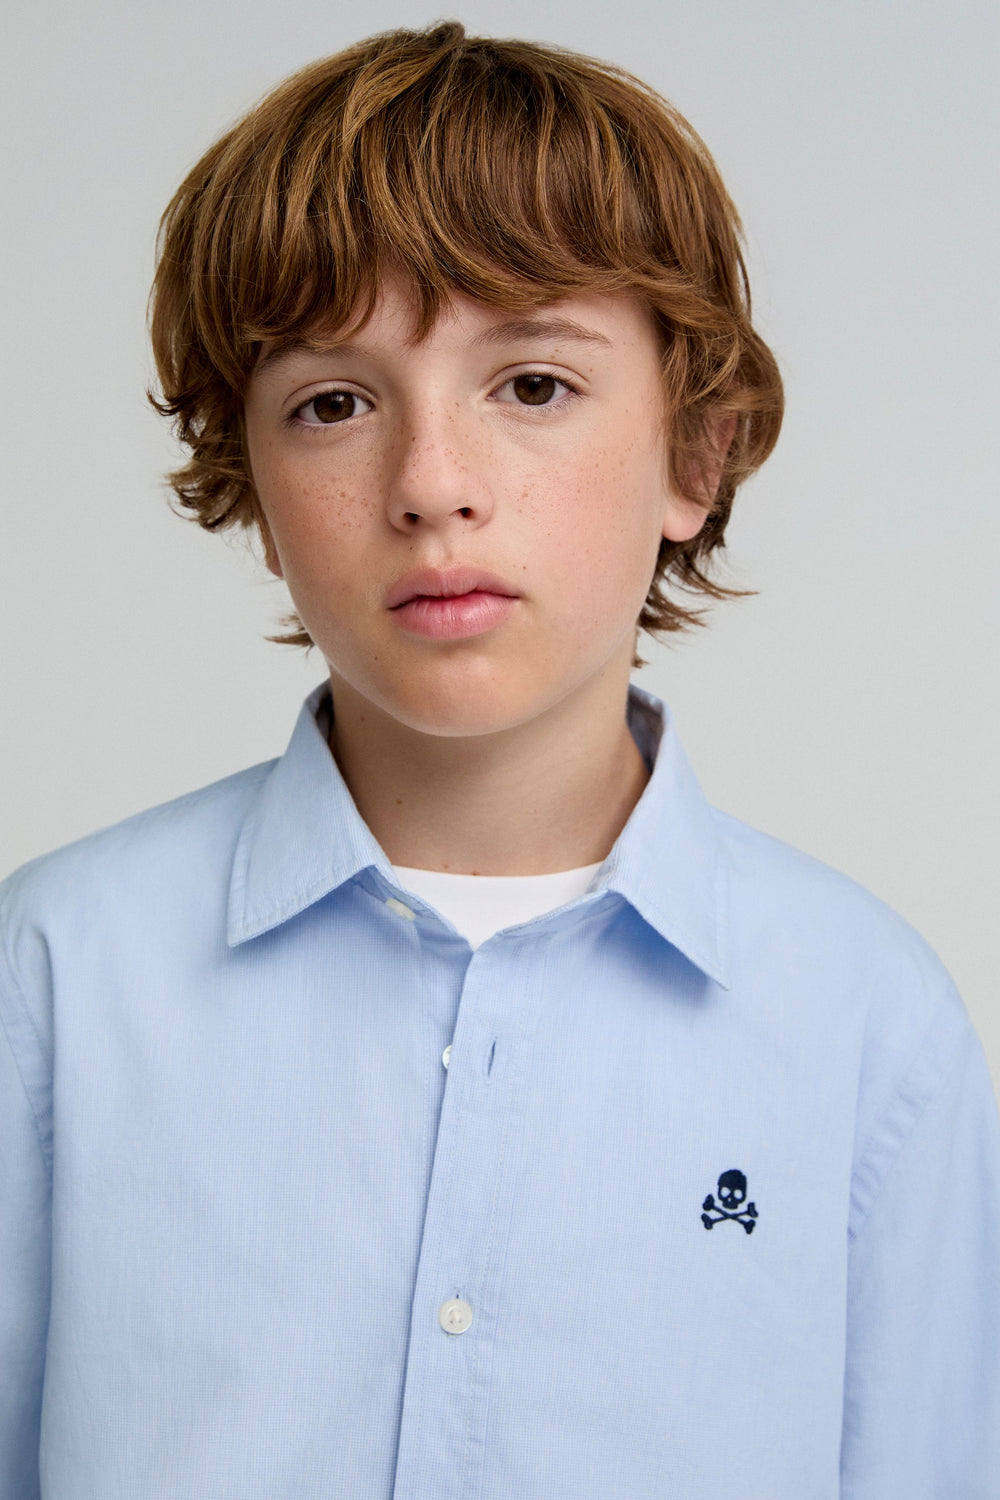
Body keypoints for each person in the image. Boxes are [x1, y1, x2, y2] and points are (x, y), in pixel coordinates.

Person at [1, 20, 997, 1498]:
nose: (431, 486)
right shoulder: (53, 976)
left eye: (531, 384)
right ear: (252, 485)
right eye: (333, 404)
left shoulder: (866, 1025)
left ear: (696, 454)